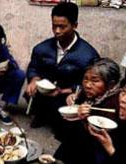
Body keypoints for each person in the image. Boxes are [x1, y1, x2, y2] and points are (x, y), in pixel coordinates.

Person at [25, 2, 99, 131]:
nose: (57, 31)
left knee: (62, 127)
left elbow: (90, 84)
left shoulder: (89, 55)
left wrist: (64, 91)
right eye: (54, 26)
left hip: (67, 96)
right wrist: (33, 79)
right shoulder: (41, 48)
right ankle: (41, 114)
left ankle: (58, 120)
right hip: (43, 94)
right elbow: (33, 68)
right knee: (32, 92)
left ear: (75, 25)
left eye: (62, 27)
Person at [52, 58, 121, 164]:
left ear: (111, 84)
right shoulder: (95, 92)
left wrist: (85, 119)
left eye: (95, 81)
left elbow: (103, 132)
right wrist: (73, 97)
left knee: (79, 134)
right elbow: (80, 95)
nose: (88, 85)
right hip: (90, 131)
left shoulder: (115, 101)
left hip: (109, 143)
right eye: (86, 79)